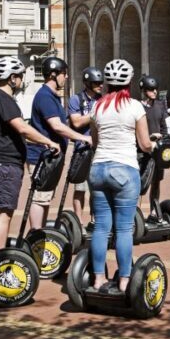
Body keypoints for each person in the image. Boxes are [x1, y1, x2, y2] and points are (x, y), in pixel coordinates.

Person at [89, 59, 155, 292]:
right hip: (124, 169)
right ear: (128, 82)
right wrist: (152, 148)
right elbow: (144, 143)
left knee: (100, 228)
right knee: (124, 228)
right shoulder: (135, 106)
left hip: (98, 169)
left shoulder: (97, 107)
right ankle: (125, 280)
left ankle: (98, 279)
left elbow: (95, 142)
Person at [0, 56, 60, 252]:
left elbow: (18, 132)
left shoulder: (0, 99)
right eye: (20, 76)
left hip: (4, 164)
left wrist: (39, 142)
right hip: (3, 165)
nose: (21, 80)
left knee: (5, 211)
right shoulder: (3, 99)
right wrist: (48, 141)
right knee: (4, 213)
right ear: (12, 78)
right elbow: (22, 128)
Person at [26, 57, 90, 231]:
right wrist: (83, 138)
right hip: (42, 156)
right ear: (53, 75)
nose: (66, 77)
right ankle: (35, 234)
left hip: (50, 156)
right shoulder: (45, 97)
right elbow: (57, 126)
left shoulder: (51, 96)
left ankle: (39, 233)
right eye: (63, 73)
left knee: (46, 197)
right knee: (40, 197)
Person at [68, 66, 104, 223]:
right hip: (82, 150)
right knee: (80, 188)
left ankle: (94, 219)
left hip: (99, 150)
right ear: (88, 83)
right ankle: (78, 222)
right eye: (96, 83)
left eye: (101, 82)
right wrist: (94, 114)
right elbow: (76, 122)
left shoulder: (102, 100)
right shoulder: (76, 99)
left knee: (98, 189)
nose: (100, 85)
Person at [139, 75, 167, 197]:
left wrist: (163, 138)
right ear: (144, 90)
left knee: (156, 182)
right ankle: (135, 213)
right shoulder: (137, 107)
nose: (155, 91)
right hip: (141, 151)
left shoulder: (160, 105)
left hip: (157, 150)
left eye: (156, 89)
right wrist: (149, 137)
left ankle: (154, 211)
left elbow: (164, 127)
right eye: (151, 89)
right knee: (140, 183)